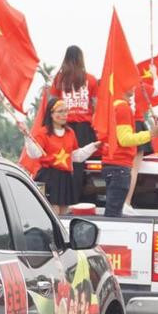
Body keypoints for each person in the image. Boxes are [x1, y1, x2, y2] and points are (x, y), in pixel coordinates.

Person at [23, 97, 99, 214]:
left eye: (66, 111)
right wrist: (27, 137)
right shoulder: (43, 133)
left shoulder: (70, 133)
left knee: (64, 213)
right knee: (54, 212)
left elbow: (76, 156)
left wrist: (94, 146)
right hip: (49, 176)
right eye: (60, 111)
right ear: (51, 114)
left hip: (66, 177)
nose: (64, 115)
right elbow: (35, 154)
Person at [99, 88, 158, 217]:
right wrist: (151, 134)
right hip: (119, 165)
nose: (133, 90)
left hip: (110, 162)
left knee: (112, 211)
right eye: (130, 86)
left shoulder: (109, 107)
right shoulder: (122, 108)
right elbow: (125, 140)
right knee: (114, 215)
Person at [52, 45, 98, 200]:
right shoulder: (91, 79)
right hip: (86, 129)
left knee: (63, 162)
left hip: (64, 127)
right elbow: (96, 105)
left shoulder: (59, 80)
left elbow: (52, 104)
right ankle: (78, 198)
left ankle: (64, 198)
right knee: (81, 164)